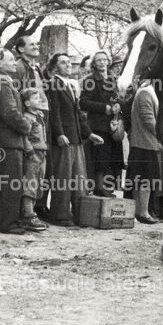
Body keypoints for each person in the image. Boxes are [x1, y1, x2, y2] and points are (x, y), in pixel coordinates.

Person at [46, 53, 104, 226]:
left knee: (79, 178)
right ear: (55, 67)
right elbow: (54, 113)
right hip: (64, 139)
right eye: (63, 63)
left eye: (69, 62)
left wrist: (89, 134)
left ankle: (80, 215)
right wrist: (59, 134)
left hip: (77, 138)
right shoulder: (53, 84)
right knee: (63, 178)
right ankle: (60, 215)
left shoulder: (69, 85)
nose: (68, 65)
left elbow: (78, 114)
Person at [0, 49, 33, 234]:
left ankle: (10, 220)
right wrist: (26, 125)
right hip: (9, 139)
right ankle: (6, 223)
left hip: (11, 139)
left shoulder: (5, 80)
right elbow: (9, 112)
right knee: (10, 183)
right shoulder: (1, 81)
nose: (15, 62)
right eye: (10, 60)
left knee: (12, 182)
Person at [13, 35, 51, 219]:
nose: (36, 46)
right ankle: (26, 212)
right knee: (30, 173)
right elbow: (19, 98)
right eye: (31, 44)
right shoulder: (19, 67)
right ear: (21, 49)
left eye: (37, 43)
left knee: (40, 174)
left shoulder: (36, 67)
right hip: (29, 119)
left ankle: (37, 208)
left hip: (41, 114)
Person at [79, 50, 124, 197]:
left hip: (112, 124)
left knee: (110, 156)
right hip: (98, 124)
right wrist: (104, 108)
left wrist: (117, 105)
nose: (102, 63)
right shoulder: (90, 79)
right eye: (98, 60)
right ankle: (99, 187)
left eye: (104, 60)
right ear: (94, 63)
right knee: (100, 157)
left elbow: (116, 97)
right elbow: (83, 102)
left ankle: (107, 186)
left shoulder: (112, 78)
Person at [127, 80, 162, 223]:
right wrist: (162, 135)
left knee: (143, 179)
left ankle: (140, 211)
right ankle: (143, 212)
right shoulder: (145, 92)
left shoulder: (148, 91)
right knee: (145, 179)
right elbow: (148, 120)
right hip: (144, 143)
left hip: (146, 143)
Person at [21, 88, 50, 231]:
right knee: (30, 183)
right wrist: (30, 151)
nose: (39, 100)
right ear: (27, 103)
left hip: (42, 153)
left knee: (38, 182)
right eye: (35, 98)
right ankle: (29, 215)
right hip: (33, 154)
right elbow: (24, 136)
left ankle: (30, 213)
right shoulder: (27, 117)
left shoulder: (38, 115)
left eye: (39, 98)